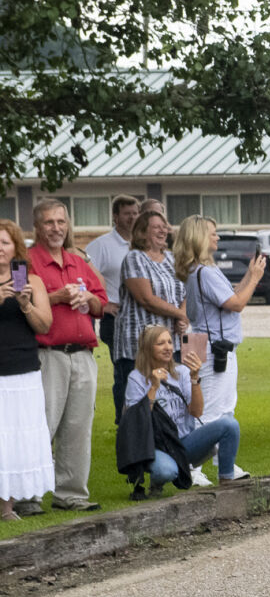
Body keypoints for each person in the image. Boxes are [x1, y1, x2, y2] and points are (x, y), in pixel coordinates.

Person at [23, 199, 109, 514]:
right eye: (49, 222)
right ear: (37, 226)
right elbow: (16, 303)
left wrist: (87, 296)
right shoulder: (24, 262)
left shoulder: (78, 261)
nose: (56, 228)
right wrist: (52, 297)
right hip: (46, 355)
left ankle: (70, 493)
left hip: (83, 354)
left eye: (61, 222)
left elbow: (103, 304)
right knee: (40, 425)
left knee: (77, 426)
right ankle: (27, 495)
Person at [123, 325, 247, 488]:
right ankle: (156, 482)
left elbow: (197, 412)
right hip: (155, 446)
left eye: (169, 342)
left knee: (229, 425)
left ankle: (226, 481)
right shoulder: (136, 378)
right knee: (166, 472)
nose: (167, 347)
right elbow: (137, 422)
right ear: (147, 348)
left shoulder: (181, 372)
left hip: (183, 444)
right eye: (160, 343)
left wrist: (195, 378)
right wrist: (153, 387)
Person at [175, 214, 266, 425]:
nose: (217, 238)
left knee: (221, 408)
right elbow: (236, 304)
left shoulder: (197, 269)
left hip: (202, 341)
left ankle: (220, 459)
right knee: (213, 411)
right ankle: (194, 457)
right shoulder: (206, 272)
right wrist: (254, 278)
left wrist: (249, 274)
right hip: (215, 347)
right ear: (200, 238)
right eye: (213, 234)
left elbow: (230, 296)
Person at [0, 221, 56, 521]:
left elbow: (45, 326)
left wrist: (25, 306)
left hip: (22, 371)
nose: (0, 248)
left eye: (5, 243)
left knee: (15, 438)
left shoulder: (31, 282)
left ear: (16, 248)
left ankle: (8, 506)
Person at [115, 209, 186, 424]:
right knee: (139, 404)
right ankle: (134, 448)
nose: (163, 230)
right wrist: (180, 314)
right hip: (138, 344)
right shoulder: (134, 258)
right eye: (156, 227)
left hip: (167, 343)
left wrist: (182, 317)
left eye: (164, 226)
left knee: (168, 402)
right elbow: (146, 298)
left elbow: (185, 290)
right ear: (142, 233)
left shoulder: (172, 258)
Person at [88, 194, 138, 417]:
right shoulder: (102, 246)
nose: (132, 218)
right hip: (116, 319)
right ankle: (124, 419)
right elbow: (82, 276)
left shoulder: (141, 243)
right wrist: (102, 303)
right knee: (124, 371)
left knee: (142, 371)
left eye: (136, 213)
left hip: (141, 318)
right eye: (127, 214)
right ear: (115, 217)